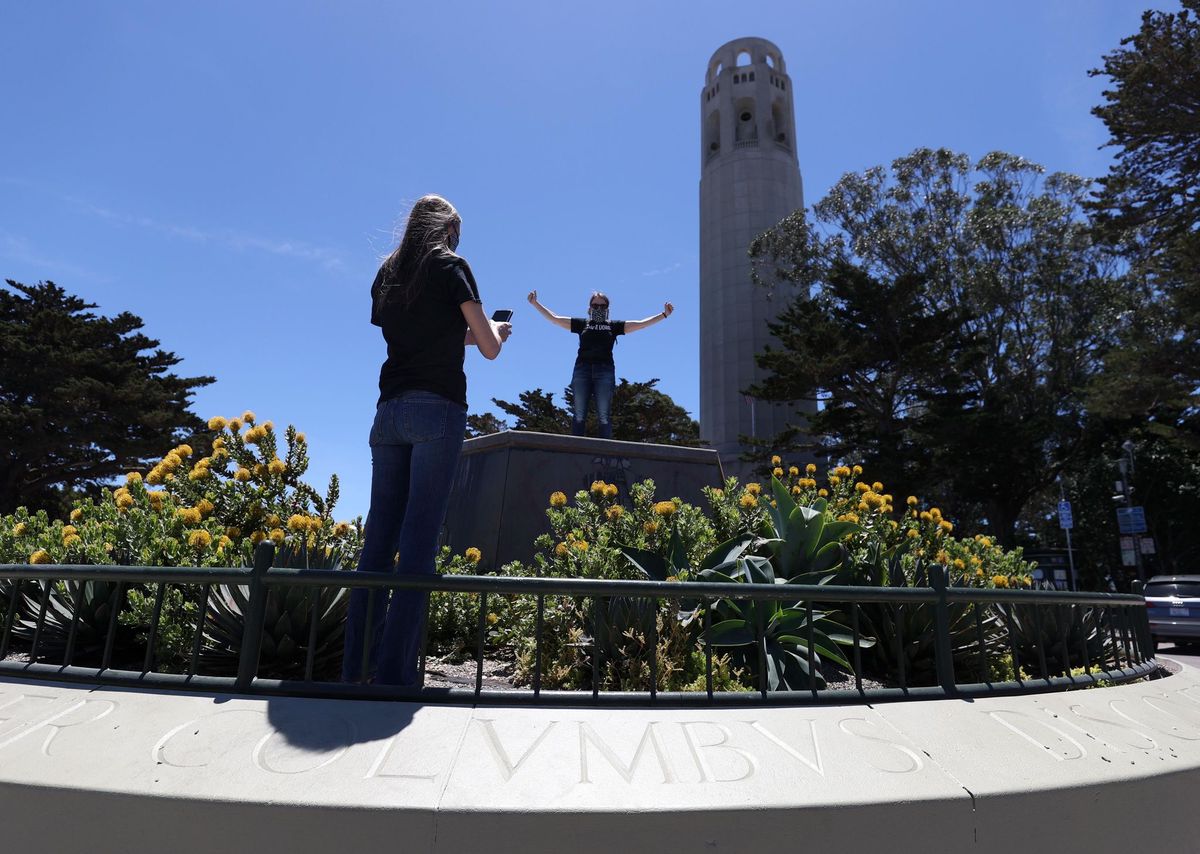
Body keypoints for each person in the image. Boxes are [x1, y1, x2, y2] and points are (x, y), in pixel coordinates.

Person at [343, 194, 511, 687]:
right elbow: (489, 349)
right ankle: (395, 676)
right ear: (447, 231)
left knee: (376, 545)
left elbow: (418, 334)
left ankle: (355, 672)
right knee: (418, 545)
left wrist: (467, 334)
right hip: (437, 407)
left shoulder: (388, 273)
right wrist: (497, 330)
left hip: (389, 410)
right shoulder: (451, 265)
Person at [526, 289, 673, 438]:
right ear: (589, 308)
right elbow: (555, 319)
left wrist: (664, 315)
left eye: (602, 306)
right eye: (595, 305)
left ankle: (605, 456)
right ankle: (575, 451)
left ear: (607, 309)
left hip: (605, 372)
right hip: (582, 370)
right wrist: (535, 303)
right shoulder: (582, 324)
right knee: (578, 414)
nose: (598, 308)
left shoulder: (614, 326)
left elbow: (641, 324)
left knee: (604, 415)